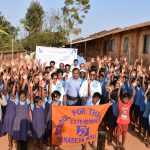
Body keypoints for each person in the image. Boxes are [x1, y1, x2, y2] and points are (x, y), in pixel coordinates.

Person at [116, 80, 136, 150]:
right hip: (119, 122)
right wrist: (120, 86)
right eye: (124, 98)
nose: (125, 99)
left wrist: (133, 87)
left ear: (128, 99)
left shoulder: (129, 104)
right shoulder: (120, 104)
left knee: (124, 135)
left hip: (126, 122)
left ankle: (122, 145)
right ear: (122, 99)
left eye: (127, 98)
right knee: (118, 134)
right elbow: (118, 95)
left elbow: (133, 95)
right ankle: (117, 145)